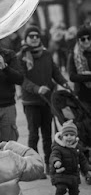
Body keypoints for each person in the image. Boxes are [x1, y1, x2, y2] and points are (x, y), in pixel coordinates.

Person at [18, 25, 70, 175]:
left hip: (47, 100)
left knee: (48, 135)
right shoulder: (20, 56)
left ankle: (49, 164)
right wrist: (37, 88)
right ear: (26, 39)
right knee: (33, 135)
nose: (34, 38)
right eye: (31, 36)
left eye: (37, 36)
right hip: (31, 102)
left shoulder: (46, 54)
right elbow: (22, 79)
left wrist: (64, 82)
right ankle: (35, 167)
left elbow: (55, 72)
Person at [49, 120, 91, 195]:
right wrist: (56, 161)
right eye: (66, 135)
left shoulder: (77, 147)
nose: (69, 138)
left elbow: (82, 160)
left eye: (72, 135)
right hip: (60, 173)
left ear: (75, 136)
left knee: (75, 192)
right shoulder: (58, 147)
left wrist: (87, 170)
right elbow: (54, 155)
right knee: (61, 188)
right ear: (62, 136)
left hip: (73, 174)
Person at [67, 24, 91, 114]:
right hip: (82, 96)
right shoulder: (73, 55)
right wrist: (89, 77)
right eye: (83, 39)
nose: (86, 41)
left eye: (89, 38)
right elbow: (72, 76)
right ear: (78, 40)